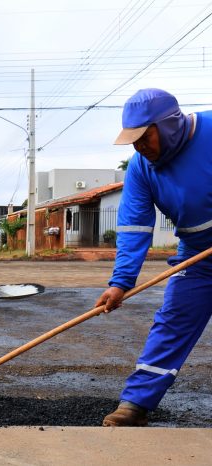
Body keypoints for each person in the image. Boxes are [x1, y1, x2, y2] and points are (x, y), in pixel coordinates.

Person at [96, 88, 211, 427]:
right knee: (172, 321)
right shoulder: (141, 168)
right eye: (133, 141)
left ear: (169, 125)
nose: (139, 147)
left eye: (145, 137)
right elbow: (133, 227)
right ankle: (135, 404)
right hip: (198, 254)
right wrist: (120, 283)